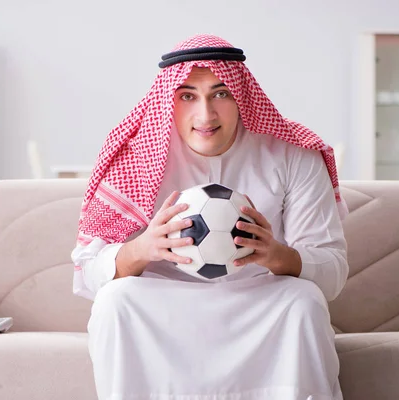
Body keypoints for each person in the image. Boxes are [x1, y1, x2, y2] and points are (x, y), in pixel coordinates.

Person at [71, 34, 349, 400]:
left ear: (241, 96)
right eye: (187, 96)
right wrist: (143, 248)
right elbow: (87, 278)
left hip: (259, 305)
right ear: (169, 100)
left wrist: (277, 255)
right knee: (115, 301)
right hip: (164, 308)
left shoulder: (294, 154)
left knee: (304, 302)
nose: (206, 114)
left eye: (221, 93)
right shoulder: (134, 156)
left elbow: (332, 274)